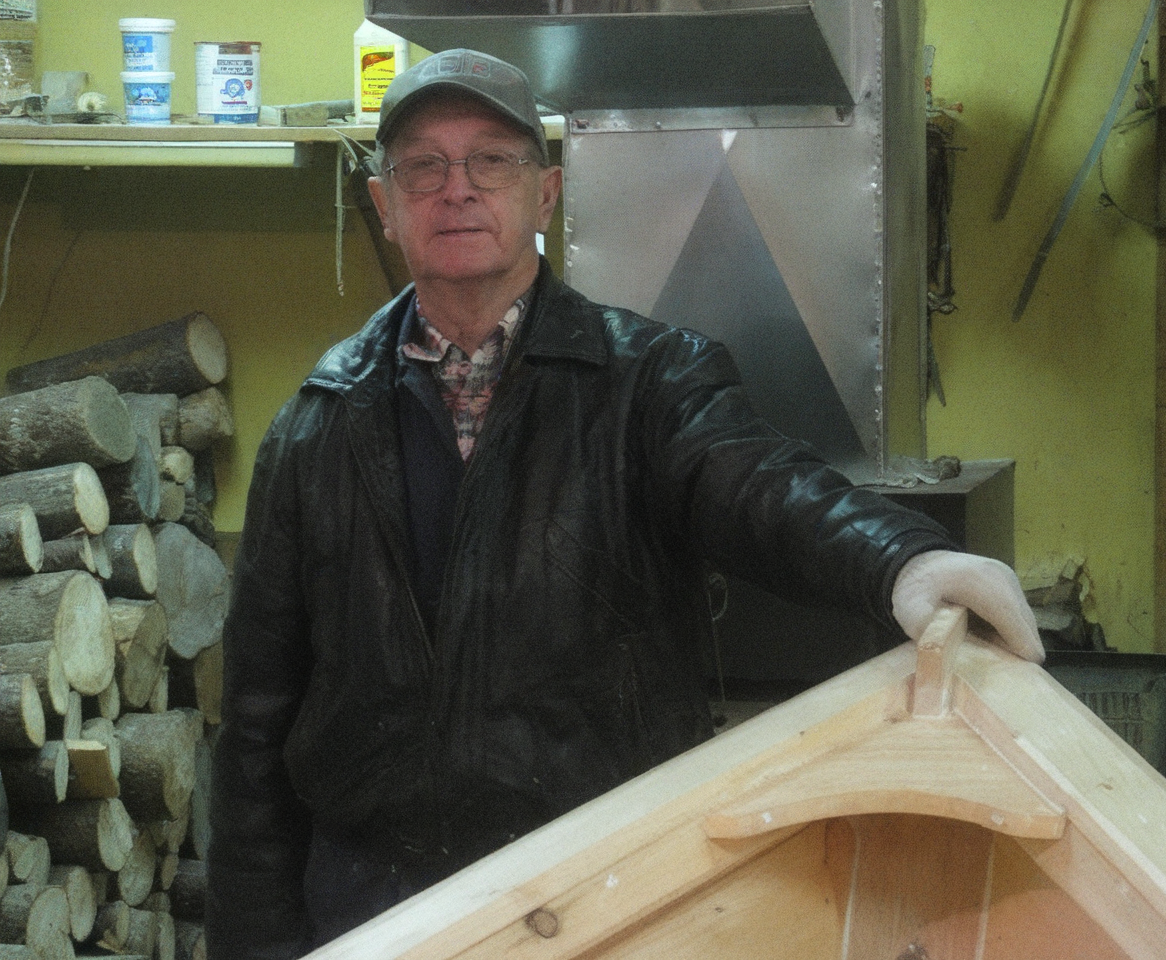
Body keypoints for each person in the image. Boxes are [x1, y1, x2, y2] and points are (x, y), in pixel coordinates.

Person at [206, 48, 1044, 960]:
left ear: (547, 194)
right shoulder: (315, 423)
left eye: (492, 160)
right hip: (372, 903)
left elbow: (760, 483)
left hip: (598, 887)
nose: (458, 190)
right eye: (423, 166)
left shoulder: (647, 381)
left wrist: (903, 559)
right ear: (385, 203)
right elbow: (257, 722)